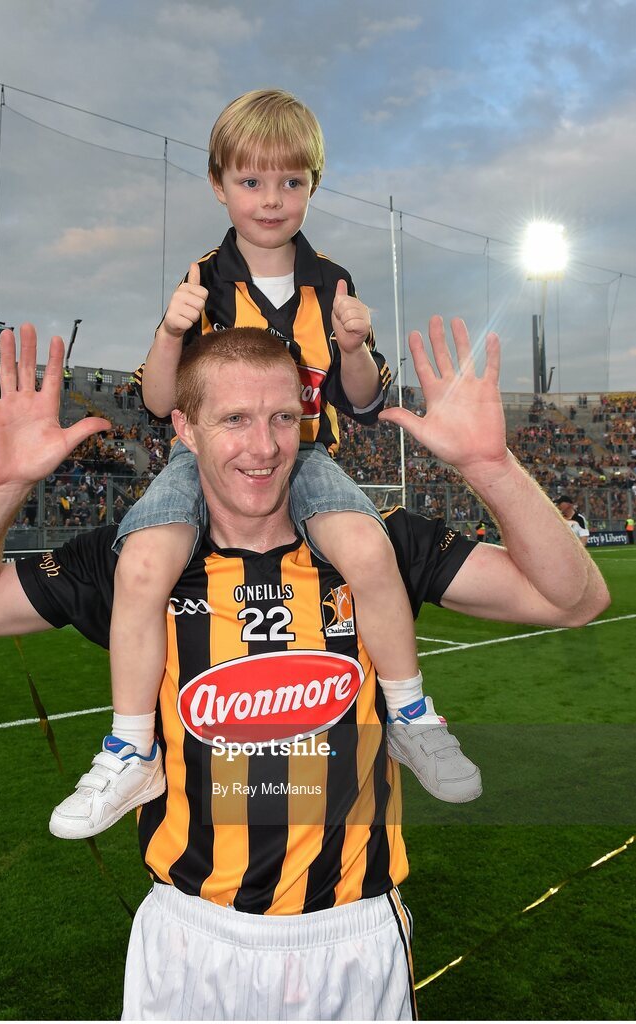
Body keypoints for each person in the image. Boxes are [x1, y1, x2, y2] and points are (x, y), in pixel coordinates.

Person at [0, 320, 608, 1021]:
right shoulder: (134, 560)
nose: (264, 446)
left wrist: (491, 467)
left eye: (282, 417)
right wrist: (0, 486)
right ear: (186, 429)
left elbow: (573, 599)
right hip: (190, 939)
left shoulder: (378, 544)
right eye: (235, 419)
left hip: (350, 935)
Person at [53, 88, 479, 842]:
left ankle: (410, 711)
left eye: (291, 182)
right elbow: (159, 402)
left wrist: (355, 348)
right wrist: (167, 330)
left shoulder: (330, 280)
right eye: (251, 182)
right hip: (207, 455)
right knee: (143, 565)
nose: (272, 200)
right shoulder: (202, 277)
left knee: (368, 551)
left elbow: (354, 402)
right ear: (218, 185)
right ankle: (130, 746)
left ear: (313, 184)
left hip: (306, 450)